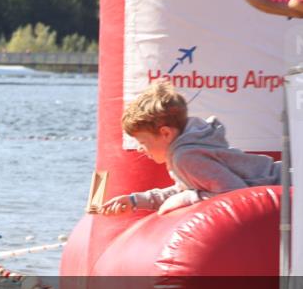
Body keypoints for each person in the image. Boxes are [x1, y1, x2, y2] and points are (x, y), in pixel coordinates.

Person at [102, 82, 281, 216]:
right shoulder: (186, 149)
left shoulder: (185, 156)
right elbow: (186, 188)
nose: (140, 149)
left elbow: (234, 194)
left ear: (165, 133)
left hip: (287, 183)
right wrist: (135, 201)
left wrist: (187, 198)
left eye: (143, 142)